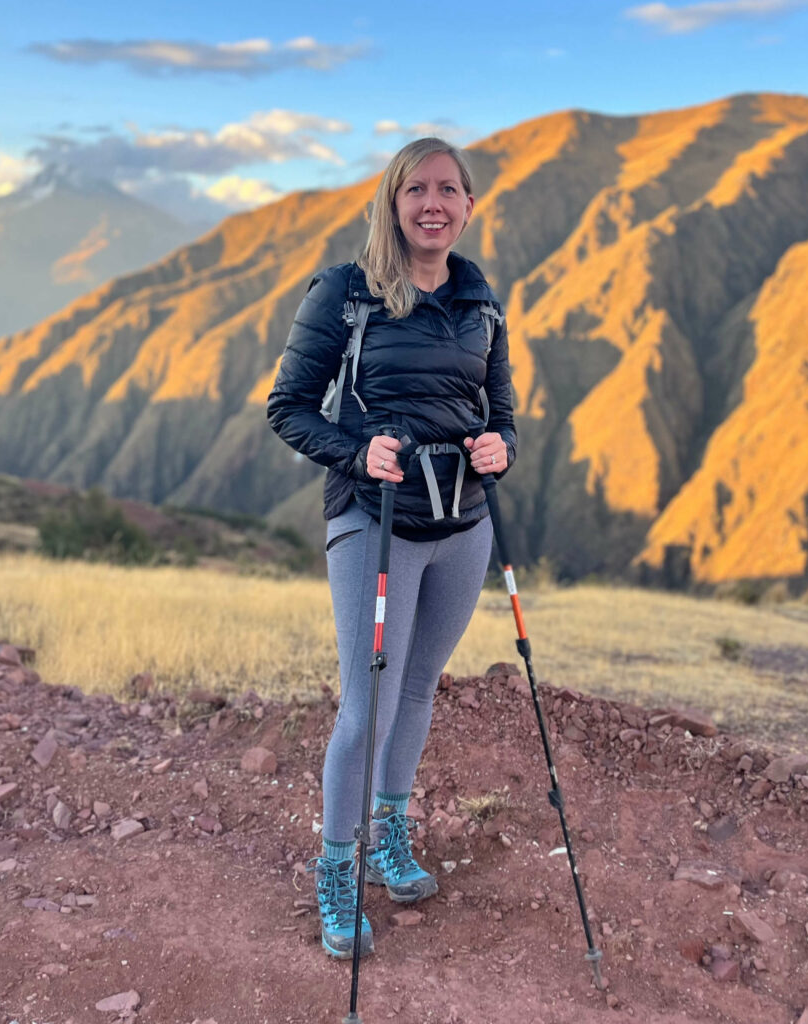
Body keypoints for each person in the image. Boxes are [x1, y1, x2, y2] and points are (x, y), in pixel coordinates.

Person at [266, 137, 516, 958]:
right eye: (418, 189)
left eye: (449, 190)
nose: (433, 204)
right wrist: (354, 449)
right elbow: (289, 407)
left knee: (418, 688)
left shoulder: (481, 298)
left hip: (463, 525)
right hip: (374, 521)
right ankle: (337, 872)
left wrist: (500, 448)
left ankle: (389, 834)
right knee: (366, 703)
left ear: (469, 205)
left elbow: (500, 407)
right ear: (392, 200)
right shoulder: (346, 292)